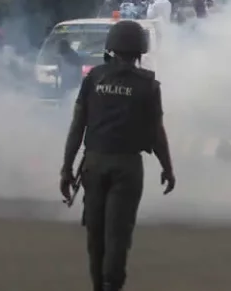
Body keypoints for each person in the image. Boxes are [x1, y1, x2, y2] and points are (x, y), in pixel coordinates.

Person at [58, 20, 176, 291]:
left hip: (94, 164)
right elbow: (156, 132)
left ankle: (99, 286)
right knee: (117, 236)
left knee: (95, 236)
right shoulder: (149, 86)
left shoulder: (94, 78)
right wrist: (167, 168)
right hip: (127, 167)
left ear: (111, 47)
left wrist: (66, 167)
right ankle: (112, 285)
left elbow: (78, 125)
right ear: (140, 51)